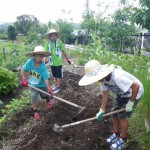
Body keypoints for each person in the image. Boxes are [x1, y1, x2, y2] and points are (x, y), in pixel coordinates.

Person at [79, 60, 144, 150]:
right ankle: (116, 133)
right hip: (122, 93)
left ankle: (124, 139)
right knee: (114, 112)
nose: (97, 80)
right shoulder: (102, 80)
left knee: (122, 116)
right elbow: (105, 94)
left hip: (133, 93)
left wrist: (131, 103)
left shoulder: (118, 76)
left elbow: (136, 86)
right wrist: (102, 110)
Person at [22, 46, 54, 120]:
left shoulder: (43, 66)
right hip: (33, 85)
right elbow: (23, 69)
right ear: (34, 55)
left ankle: (48, 100)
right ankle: (35, 111)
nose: (39, 58)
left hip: (42, 84)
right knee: (34, 97)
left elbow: (46, 79)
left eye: (41, 56)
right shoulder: (29, 62)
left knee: (45, 95)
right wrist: (24, 79)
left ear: (43, 57)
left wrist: (50, 89)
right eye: (37, 55)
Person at [44, 29, 71, 93]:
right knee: (55, 75)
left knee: (59, 75)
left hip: (58, 61)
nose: (53, 37)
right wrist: (45, 59)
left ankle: (58, 87)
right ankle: (56, 84)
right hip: (51, 62)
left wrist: (67, 58)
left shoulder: (59, 42)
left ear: (56, 36)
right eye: (52, 36)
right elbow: (46, 52)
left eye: (54, 36)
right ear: (49, 37)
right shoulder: (47, 43)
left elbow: (63, 51)